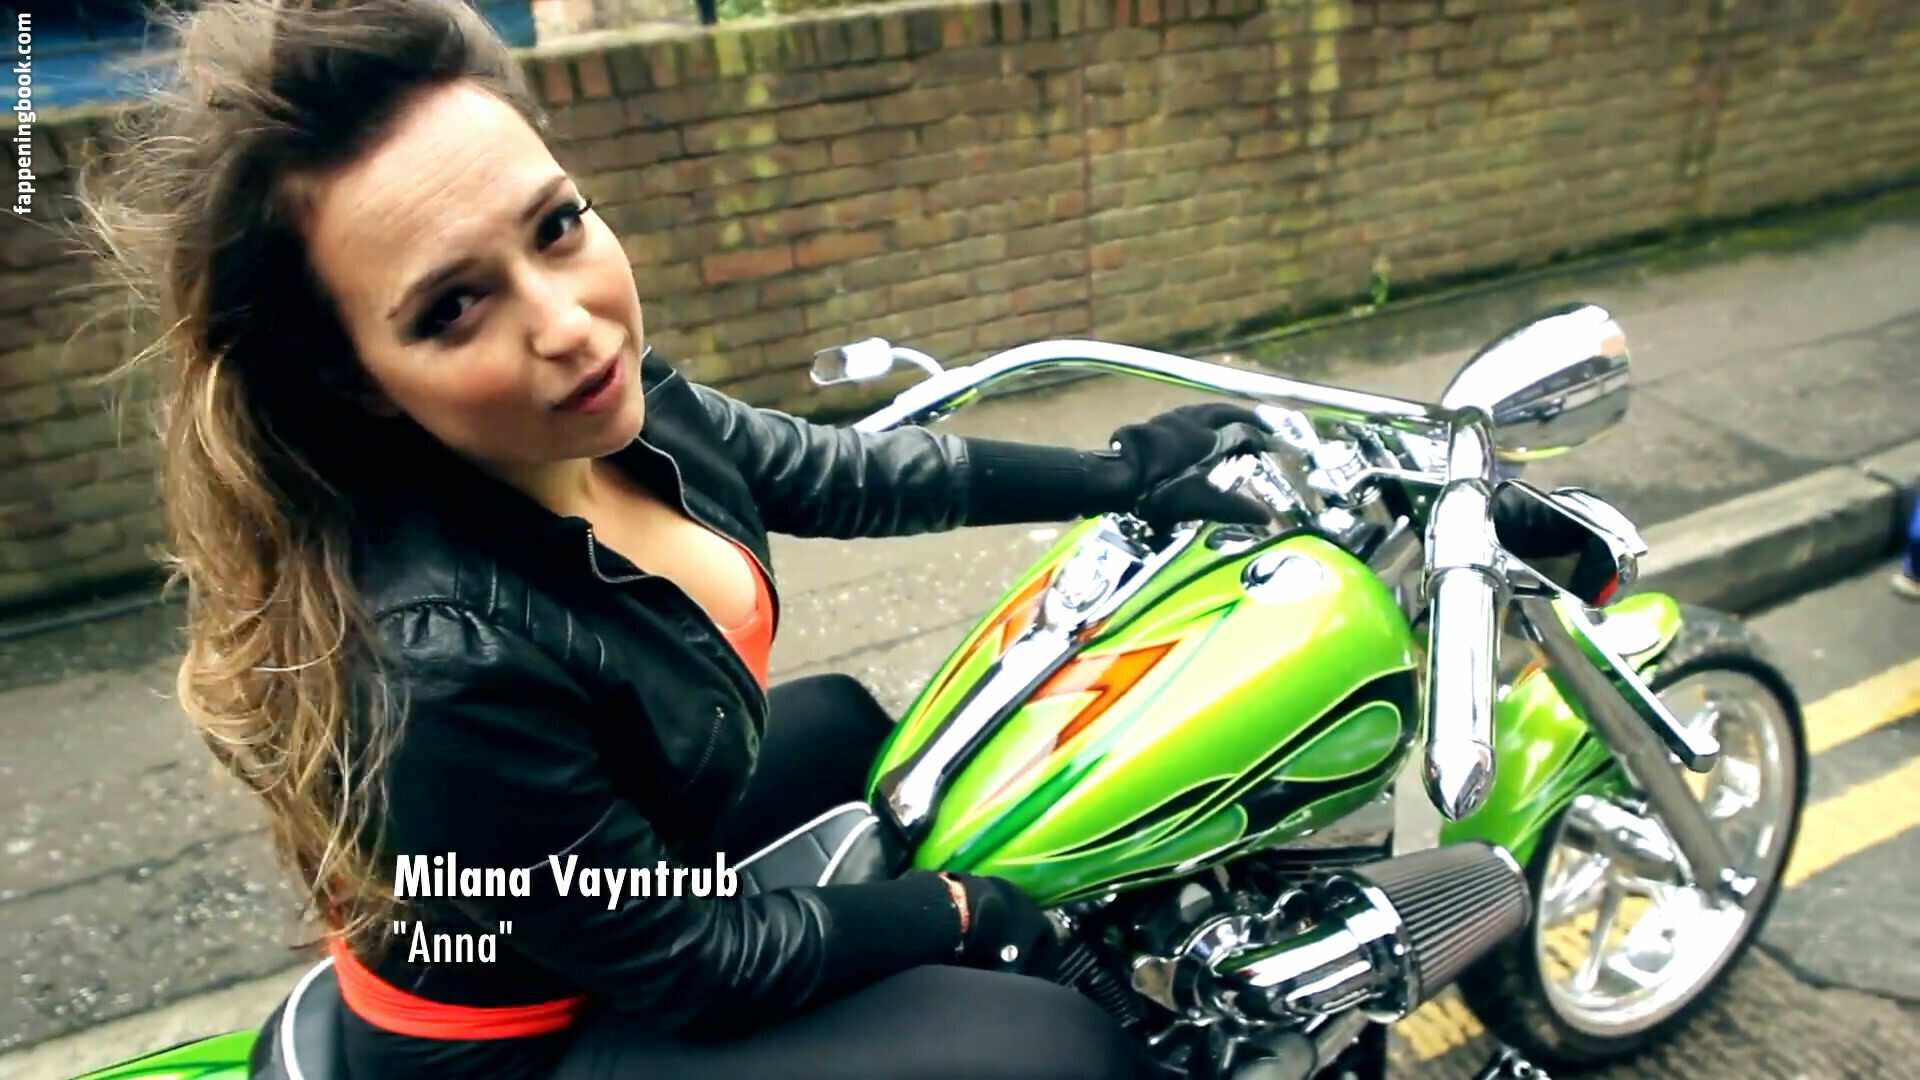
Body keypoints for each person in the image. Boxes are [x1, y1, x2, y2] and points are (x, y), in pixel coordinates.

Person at [77, 3, 1590, 1078]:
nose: (571, 323)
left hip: (611, 885)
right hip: (521, 1031)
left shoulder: (616, 412)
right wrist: (957, 917)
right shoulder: (440, 659)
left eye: (557, 226)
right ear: (355, 375)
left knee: (869, 732)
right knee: (1058, 1046)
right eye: (453, 305)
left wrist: (1130, 470)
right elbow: (691, 959)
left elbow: (844, 473)